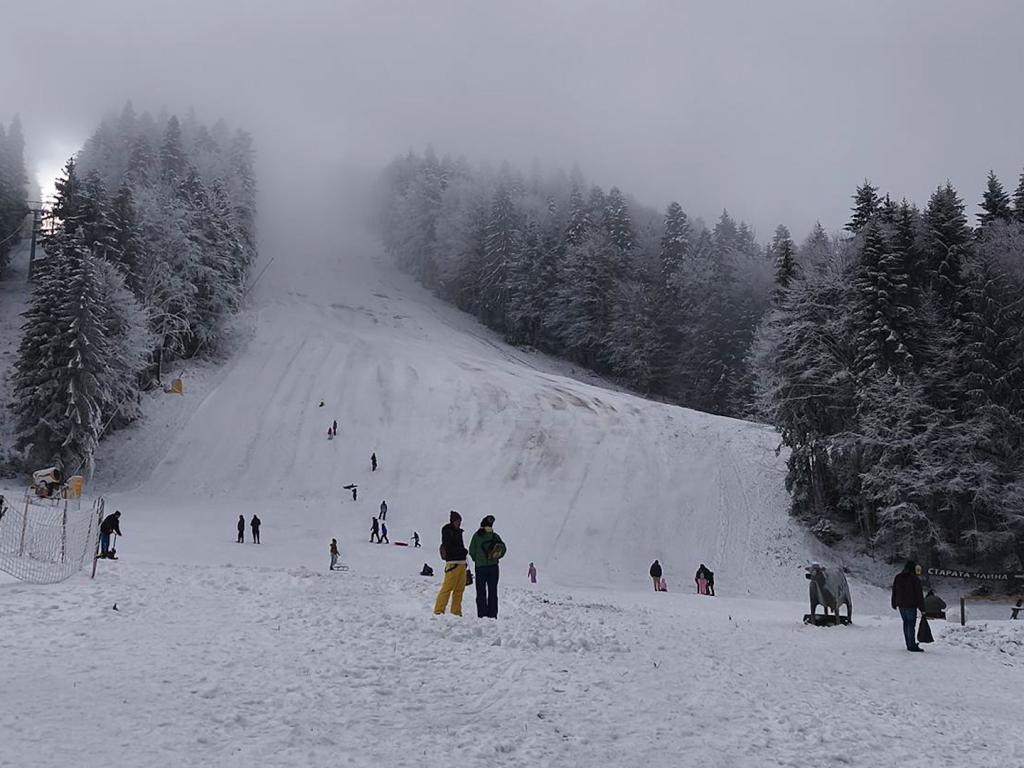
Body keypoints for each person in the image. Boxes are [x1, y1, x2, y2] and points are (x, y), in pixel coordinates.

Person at [469, 515, 507, 618]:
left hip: (480, 568)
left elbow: (471, 551)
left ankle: (482, 614)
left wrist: (477, 560)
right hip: (493, 567)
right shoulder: (495, 536)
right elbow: (503, 550)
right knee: (493, 591)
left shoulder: (477, 536)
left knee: (481, 592)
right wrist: (496, 557)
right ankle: (492, 614)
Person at [433, 510, 468, 616]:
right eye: (457, 521)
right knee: (447, 588)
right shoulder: (447, 531)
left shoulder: (459, 532)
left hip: (461, 563)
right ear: (453, 521)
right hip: (453, 563)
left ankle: (456, 612)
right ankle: (439, 610)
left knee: (459, 589)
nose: (459, 523)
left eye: (460, 521)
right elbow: (449, 547)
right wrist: (463, 551)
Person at [891, 560, 926, 652]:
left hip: (901, 604)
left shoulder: (898, 577)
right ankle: (912, 645)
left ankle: (908, 643)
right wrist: (922, 608)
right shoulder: (914, 579)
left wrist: (894, 602)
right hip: (911, 604)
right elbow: (919, 594)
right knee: (911, 625)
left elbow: (894, 590)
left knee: (906, 623)